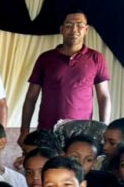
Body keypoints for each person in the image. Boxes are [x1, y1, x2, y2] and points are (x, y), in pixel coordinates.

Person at [19, 11, 112, 147]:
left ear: (86, 30)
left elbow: (103, 97)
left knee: (76, 168)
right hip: (48, 132)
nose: (74, 30)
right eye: (69, 25)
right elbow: (31, 97)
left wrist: (104, 130)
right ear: (61, 29)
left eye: (80, 25)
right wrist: (24, 130)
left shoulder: (96, 58)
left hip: (81, 134)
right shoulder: (45, 58)